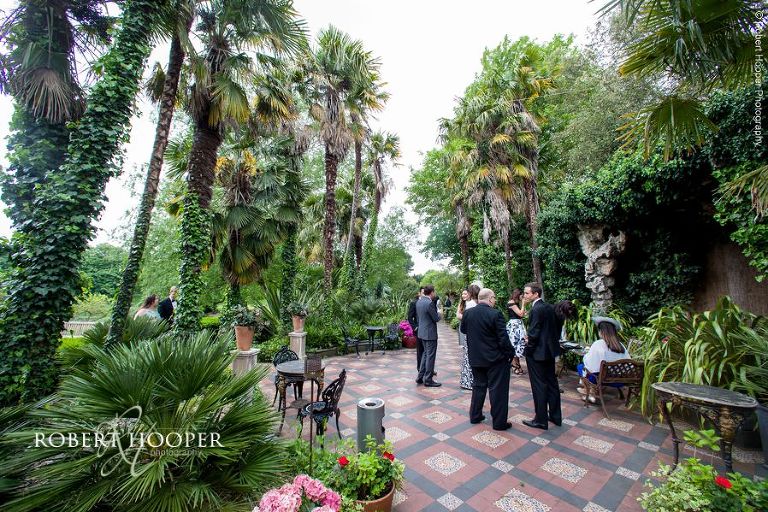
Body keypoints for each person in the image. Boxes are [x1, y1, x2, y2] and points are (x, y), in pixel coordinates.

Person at [461, 288, 514, 431]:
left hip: (476, 358)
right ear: (490, 298)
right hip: (495, 360)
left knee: (478, 387)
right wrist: (511, 353)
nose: (495, 300)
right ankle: (499, 423)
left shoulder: (468, 313)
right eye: (494, 298)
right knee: (498, 391)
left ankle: (475, 415)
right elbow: (503, 339)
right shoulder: (495, 314)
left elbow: (464, 330)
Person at [522, 282, 563, 430]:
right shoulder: (549, 307)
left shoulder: (536, 309)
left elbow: (534, 333)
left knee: (539, 386)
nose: (524, 296)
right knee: (552, 384)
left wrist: (528, 349)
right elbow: (556, 327)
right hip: (550, 352)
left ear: (535, 294)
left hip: (538, 354)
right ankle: (556, 416)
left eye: (527, 293)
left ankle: (540, 419)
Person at [577, 317, 629, 400]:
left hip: (601, 379)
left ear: (602, 331)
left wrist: (586, 355)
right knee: (594, 370)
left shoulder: (598, 344)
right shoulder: (621, 346)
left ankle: (589, 392)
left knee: (581, 366)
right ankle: (589, 391)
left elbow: (590, 366)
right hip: (619, 381)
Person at [415, 284, 442, 387]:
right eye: (434, 292)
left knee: (425, 355)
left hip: (421, 332)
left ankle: (420, 377)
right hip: (430, 334)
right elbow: (436, 318)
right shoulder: (429, 303)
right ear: (431, 293)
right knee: (430, 356)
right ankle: (428, 379)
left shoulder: (419, 301)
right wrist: (440, 312)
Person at [458, 284, 480, 390]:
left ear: (470, 293)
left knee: (468, 357)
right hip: (479, 335)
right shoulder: (479, 303)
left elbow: (466, 320)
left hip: (471, 334)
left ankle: (468, 381)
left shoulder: (470, 304)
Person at [506, 288, 527, 376]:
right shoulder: (511, 303)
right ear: (518, 294)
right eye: (522, 295)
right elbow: (520, 314)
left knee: (519, 344)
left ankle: (516, 365)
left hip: (518, 324)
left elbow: (521, 314)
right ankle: (515, 365)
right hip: (514, 326)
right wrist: (523, 304)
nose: (523, 297)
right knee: (514, 344)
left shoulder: (515, 303)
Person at [408, 288, 424, 371]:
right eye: (423, 292)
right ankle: (420, 368)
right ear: (419, 293)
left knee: (428, 351)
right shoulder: (414, 303)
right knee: (420, 350)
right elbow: (410, 317)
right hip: (418, 330)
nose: (424, 294)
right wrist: (415, 327)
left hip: (427, 330)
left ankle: (429, 369)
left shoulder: (429, 302)